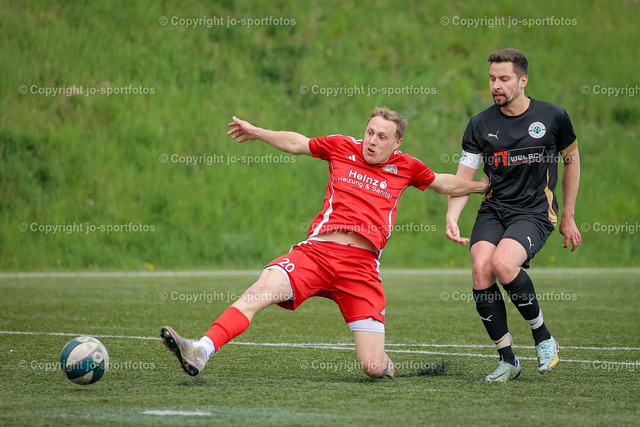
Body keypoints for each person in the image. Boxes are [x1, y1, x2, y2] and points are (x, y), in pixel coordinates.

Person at [161, 107, 489, 378]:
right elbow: (297, 143)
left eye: (382, 137)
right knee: (259, 291)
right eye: (370, 132)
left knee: (373, 367)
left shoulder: (407, 167)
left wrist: (482, 187)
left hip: (361, 269)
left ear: (397, 142)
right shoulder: (341, 146)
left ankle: (385, 364)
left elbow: (444, 183)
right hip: (316, 254)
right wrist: (257, 132)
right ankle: (201, 349)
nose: (372, 141)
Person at [445, 48, 581, 381]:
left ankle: (543, 337)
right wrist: (452, 215)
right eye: (492, 78)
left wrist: (568, 216)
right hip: (494, 209)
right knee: (481, 267)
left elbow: (572, 162)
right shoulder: (480, 124)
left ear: (523, 81)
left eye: (504, 79)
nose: (496, 85)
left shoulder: (553, 117)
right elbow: (463, 178)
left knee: (503, 264)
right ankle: (508, 360)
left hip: (534, 211)